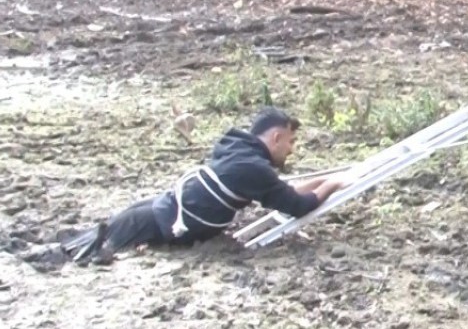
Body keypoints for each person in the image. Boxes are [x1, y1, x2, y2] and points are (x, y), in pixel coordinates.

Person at [66, 107, 350, 264]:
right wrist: (333, 185)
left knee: (86, 245)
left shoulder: (239, 149)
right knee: (87, 256)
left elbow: (283, 191)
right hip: (156, 222)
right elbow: (297, 207)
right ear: (275, 138)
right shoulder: (253, 167)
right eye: (291, 141)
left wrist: (324, 181)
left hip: (153, 211)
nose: (291, 149)